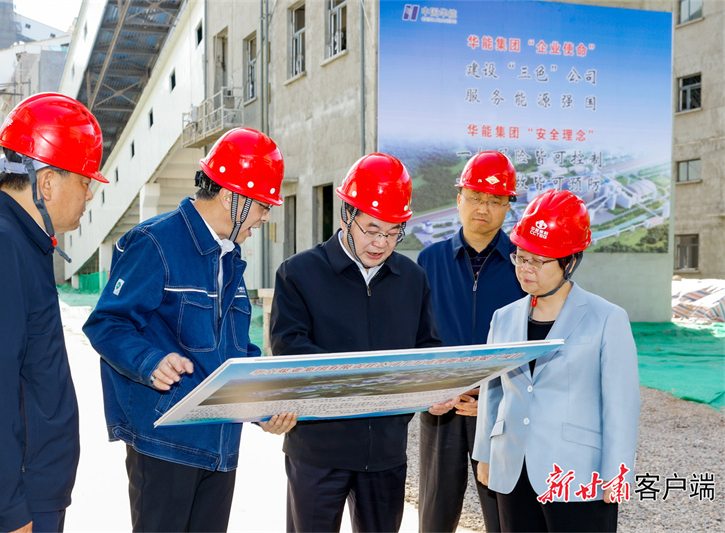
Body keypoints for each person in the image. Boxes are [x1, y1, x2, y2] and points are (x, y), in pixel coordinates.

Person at [82, 127, 295, 532]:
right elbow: (106, 323)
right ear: (232, 198)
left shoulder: (228, 258)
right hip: (165, 446)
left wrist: (266, 405)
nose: (266, 216)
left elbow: (233, 354)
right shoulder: (155, 243)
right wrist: (150, 361)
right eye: (263, 205)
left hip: (219, 447)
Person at [0, 92, 108, 532]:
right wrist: (10, 512)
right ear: (46, 183)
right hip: (3, 506)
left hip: (21, 495)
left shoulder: (19, 243)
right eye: (84, 181)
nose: (89, 194)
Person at [270, 153, 441, 533]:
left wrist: (436, 386)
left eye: (393, 233)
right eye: (371, 229)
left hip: (386, 451)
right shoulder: (299, 273)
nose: (380, 243)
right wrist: (365, 378)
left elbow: (427, 347)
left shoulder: (412, 278)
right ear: (346, 215)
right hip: (317, 450)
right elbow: (289, 347)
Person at [473, 189, 641, 532]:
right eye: (520, 257)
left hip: (577, 471)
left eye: (538, 261)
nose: (525, 269)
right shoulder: (503, 318)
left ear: (570, 261)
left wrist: (617, 473)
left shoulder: (606, 318)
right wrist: (485, 454)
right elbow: (493, 393)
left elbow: (621, 406)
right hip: (512, 468)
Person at [417, 151, 525, 533]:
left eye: (495, 201)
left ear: (508, 207)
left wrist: (497, 398)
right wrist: (433, 388)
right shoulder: (429, 262)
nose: (484, 208)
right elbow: (415, 335)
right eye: (476, 197)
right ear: (459, 198)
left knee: (504, 515)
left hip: (500, 409)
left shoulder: (522, 264)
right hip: (442, 405)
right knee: (435, 513)